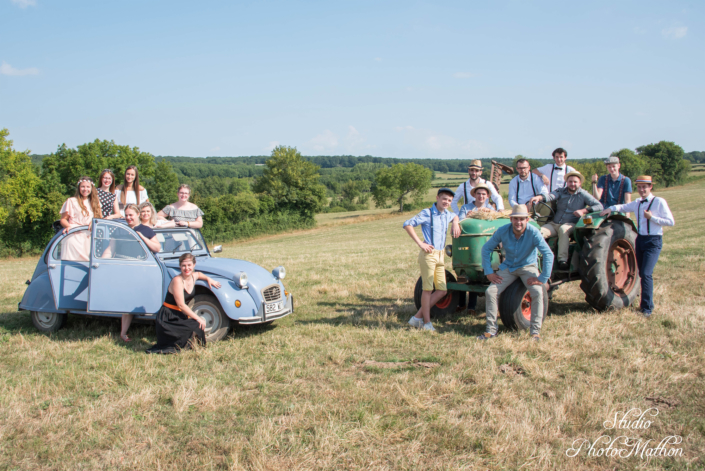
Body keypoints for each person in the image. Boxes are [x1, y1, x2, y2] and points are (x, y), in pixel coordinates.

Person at [600, 176, 674, 317]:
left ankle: (647, 308)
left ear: (650, 187)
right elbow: (622, 207)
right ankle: (640, 301)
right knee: (641, 273)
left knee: (646, 274)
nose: (641, 190)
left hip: (653, 241)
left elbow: (671, 221)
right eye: (639, 187)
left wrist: (652, 218)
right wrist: (610, 209)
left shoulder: (659, 202)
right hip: (640, 240)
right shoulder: (638, 203)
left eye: (644, 187)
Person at [479, 204, 554, 341]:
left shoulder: (533, 232)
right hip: (509, 267)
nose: (518, 222)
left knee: (537, 292)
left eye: (522, 219)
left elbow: (548, 254)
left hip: (528, 267)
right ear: (511, 220)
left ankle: (535, 332)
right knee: (491, 292)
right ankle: (491, 330)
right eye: (515, 219)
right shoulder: (503, 231)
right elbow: (486, 249)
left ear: (526, 220)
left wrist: (543, 278)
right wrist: (489, 272)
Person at [403, 188, 461, 332]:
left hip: (441, 254)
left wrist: (455, 221)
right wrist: (420, 243)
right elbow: (407, 224)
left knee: (442, 290)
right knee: (427, 289)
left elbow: (455, 216)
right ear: (437, 198)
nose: (446, 202)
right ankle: (426, 323)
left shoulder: (448, 214)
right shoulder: (427, 213)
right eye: (444, 199)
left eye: (449, 200)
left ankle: (417, 318)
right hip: (429, 254)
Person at [104, 204, 161, 342]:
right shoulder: (119, 230)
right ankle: (123, 333)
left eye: (131, 215)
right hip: (123, 267)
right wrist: (103, 262)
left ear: (137, 215)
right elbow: (110, 249)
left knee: (141, 298)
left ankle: (154, 328)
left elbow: (157, 247)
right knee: (127, 301)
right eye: (127, 215)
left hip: (140, 268)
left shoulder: (146, 230)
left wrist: (142, 237)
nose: (129, 218)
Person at [146, 253, 222, 354]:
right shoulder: (177, 280)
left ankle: (189, 343)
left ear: (194, 265)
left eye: (189, 265)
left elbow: (199, 274)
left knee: (197, 325)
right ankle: (181, 343)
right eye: (183, 265)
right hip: (168, 317)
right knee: (196, 323)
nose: (187, 268)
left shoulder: (193, 276)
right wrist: (198, 317)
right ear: (180, 266)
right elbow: (181, 305)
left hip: (179, 315)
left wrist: (209, 279)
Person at [529, 172, 603, 270]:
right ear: (566, 182)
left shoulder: (583, 194)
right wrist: (540, 197)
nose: (572, 184)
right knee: (538, 232)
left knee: (563, 230)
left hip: (571, 224)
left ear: (580, 183)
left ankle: (562, 260)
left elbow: (599, 206)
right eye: (570, 181)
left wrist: (583, 210)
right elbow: (551, 196)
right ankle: (534, 259)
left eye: (575, 182)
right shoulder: (561, 191)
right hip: (554, 224)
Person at [456, 183, 496, 315]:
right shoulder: (466, 207)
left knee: (475, 273)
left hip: (482, 242)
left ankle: (471, 307)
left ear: (487, 196)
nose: (481, 196)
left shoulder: (490, 209)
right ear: (474, 195)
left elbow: (493, 225)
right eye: (478, 193)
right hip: (467, 241)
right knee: (465, 272)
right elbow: (460, 222)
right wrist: (468, 215)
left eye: (484, 194)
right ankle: (461, 304)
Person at [59, 177, 102, 261]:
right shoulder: (71, 201)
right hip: (73, 237)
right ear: (79, 188)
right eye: (82, 186)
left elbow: (100, 219)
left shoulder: (96, 202)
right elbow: (63, 219)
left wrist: (94, 222)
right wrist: (68, 226)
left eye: (88, 187)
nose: (85, 189)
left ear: (91, 188)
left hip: (88, 238)